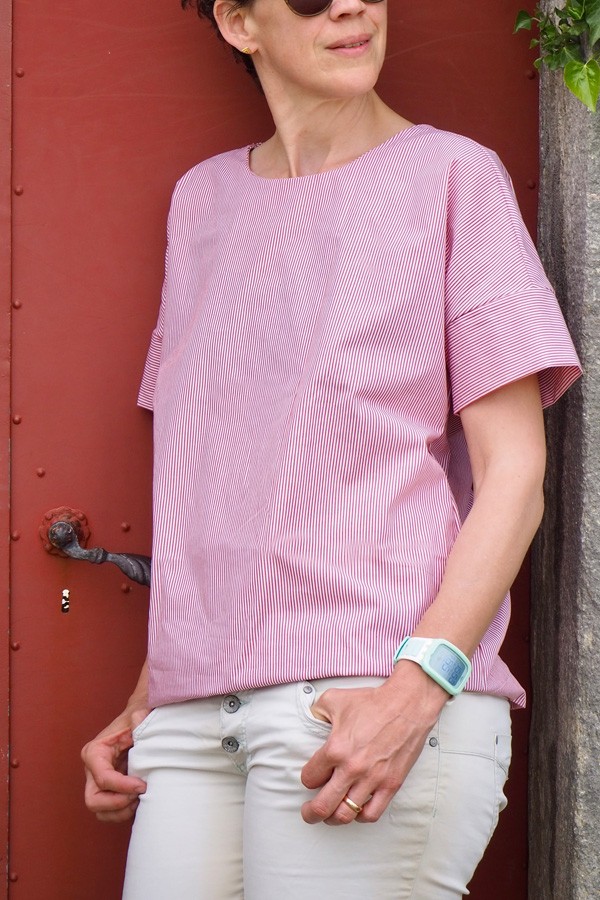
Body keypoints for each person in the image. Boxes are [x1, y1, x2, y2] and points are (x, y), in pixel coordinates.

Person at [81, 1, 581, 897]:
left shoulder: (453, 177)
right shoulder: (202, 202)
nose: (351, 5)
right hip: (194, 725)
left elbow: (515, 475)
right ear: (240, 23)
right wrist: (153, 691)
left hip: (366, 698)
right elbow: (214, 476)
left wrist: (417, 692)